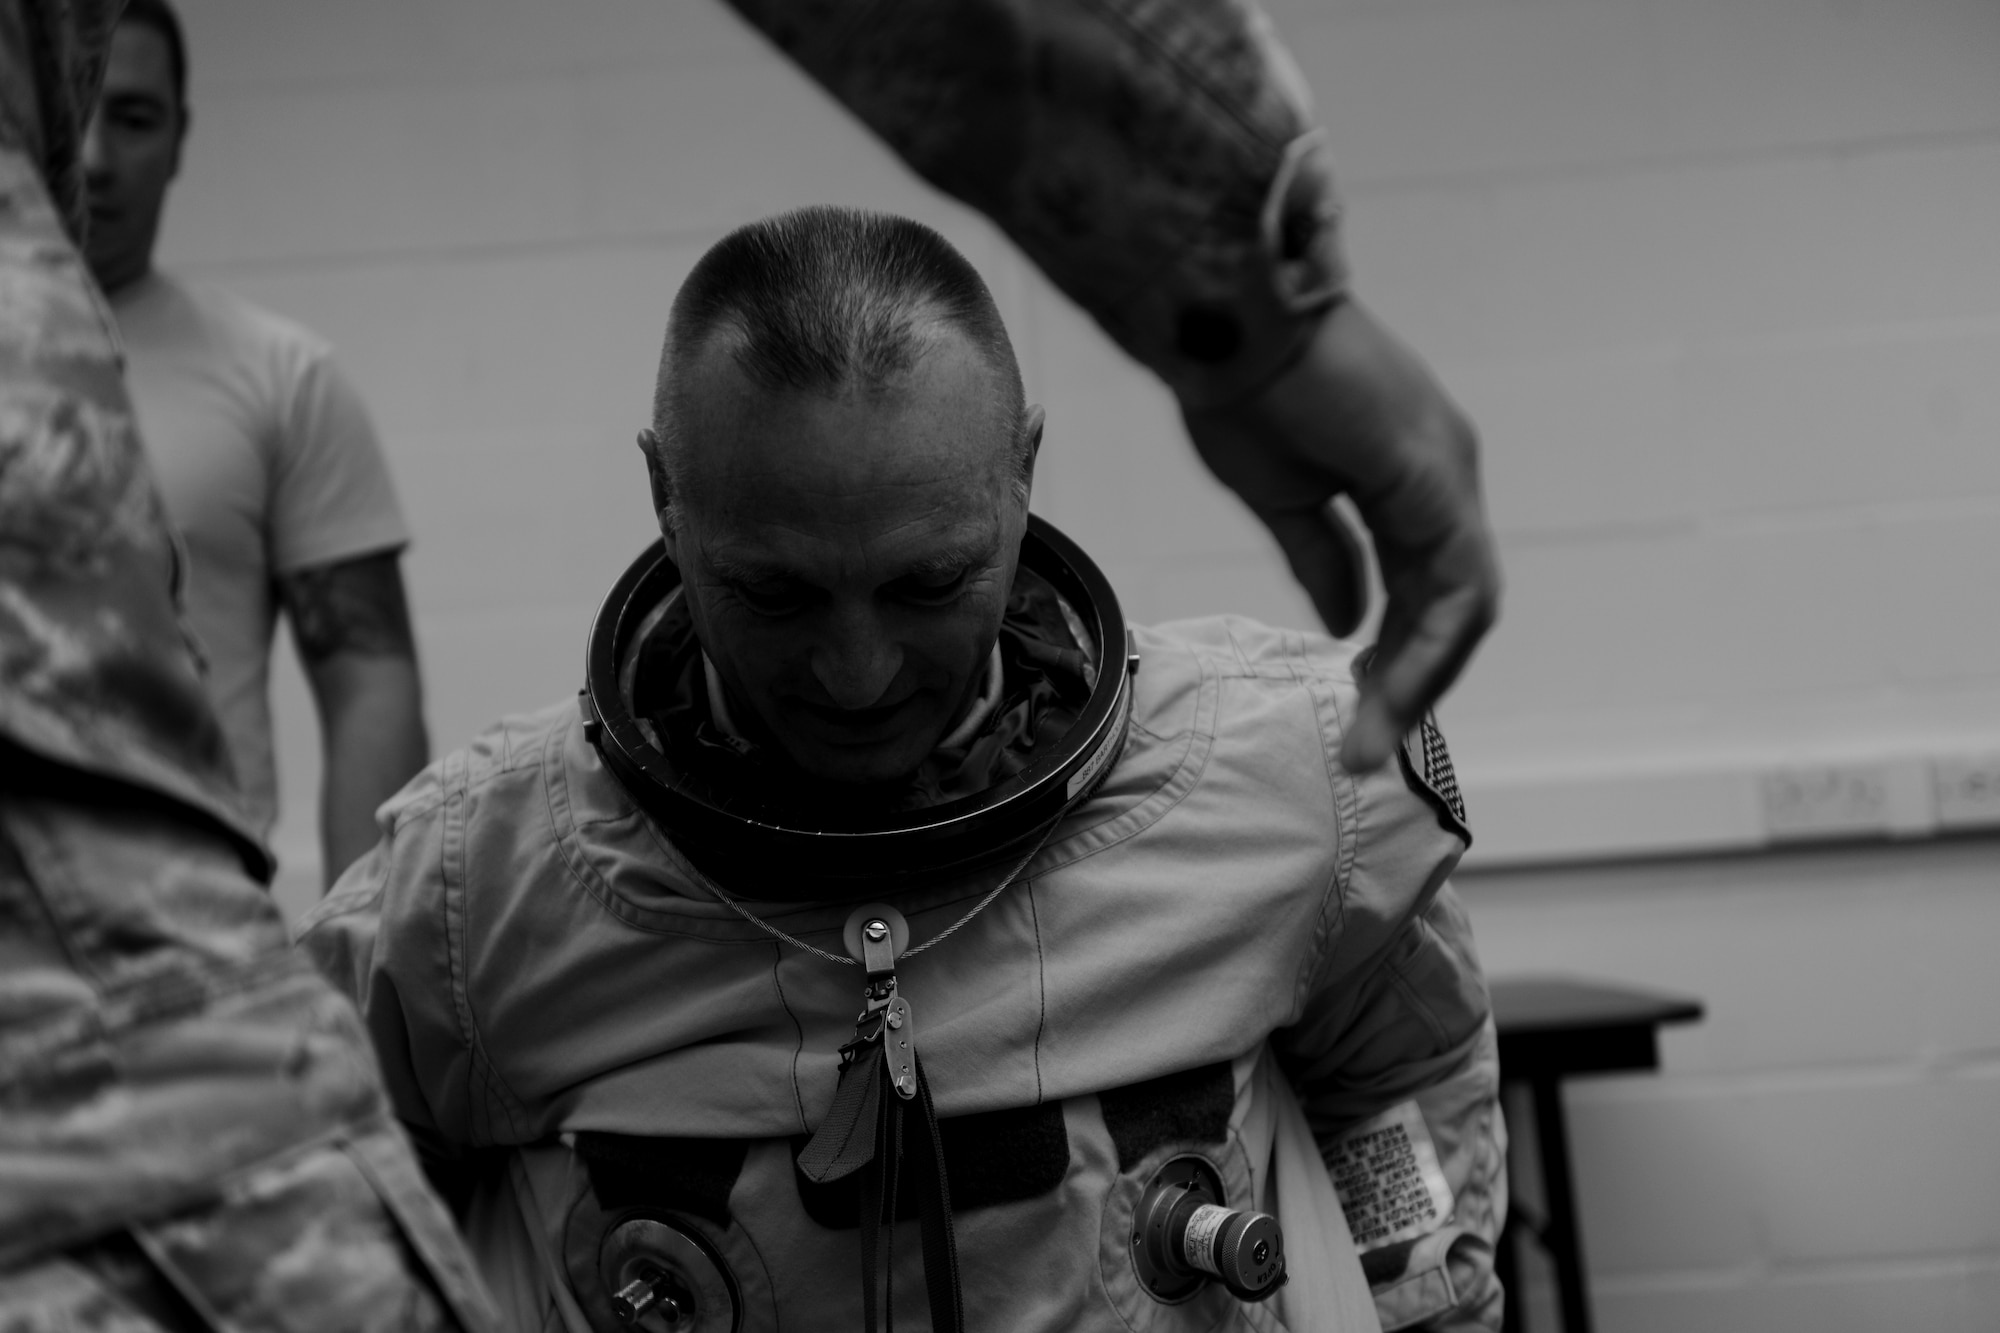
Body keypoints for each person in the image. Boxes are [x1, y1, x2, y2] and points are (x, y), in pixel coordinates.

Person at [301, 208, 1504, 1332]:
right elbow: (302, 1192)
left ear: (1021, 473)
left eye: (928, 583)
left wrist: (1417, 1303)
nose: (857, 674)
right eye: (773, 592)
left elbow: (1400, 1065)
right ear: (666, 496)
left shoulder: (1284, 778)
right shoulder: (471, 893)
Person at [83, 0, 427, 887]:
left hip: (195, 912)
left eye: (132, 118)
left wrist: (358, 948)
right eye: (75, 109)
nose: (93, 158)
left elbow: (368, 686)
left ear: (181, 135)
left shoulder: (281, 375)